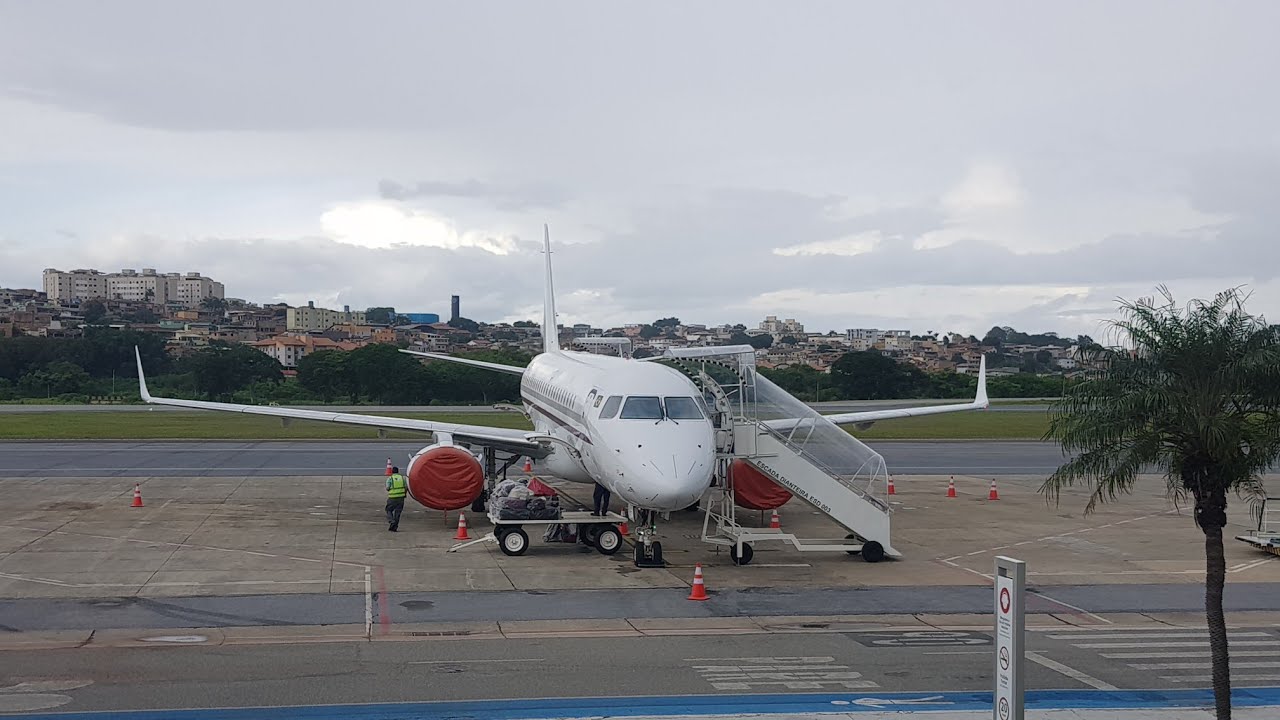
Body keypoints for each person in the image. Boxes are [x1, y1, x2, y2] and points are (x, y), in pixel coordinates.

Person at [385, 466, 407, 531]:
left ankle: (391, 521)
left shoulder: (390, 478)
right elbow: (406, 487)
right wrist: (404, 494)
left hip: (392, 498)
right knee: (398, 512)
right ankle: (394, 527)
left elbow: (387, 488)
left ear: (392, 472)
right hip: (401, 498)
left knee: (388, 510)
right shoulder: (402, 478)